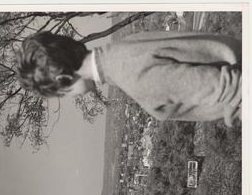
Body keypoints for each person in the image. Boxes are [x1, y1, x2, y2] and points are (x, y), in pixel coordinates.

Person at [16, 31, 242, 127]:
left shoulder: (131, 74)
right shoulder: (119, 51)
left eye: (61, 94)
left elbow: (237, 89)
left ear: (64, 79)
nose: (70, 97)